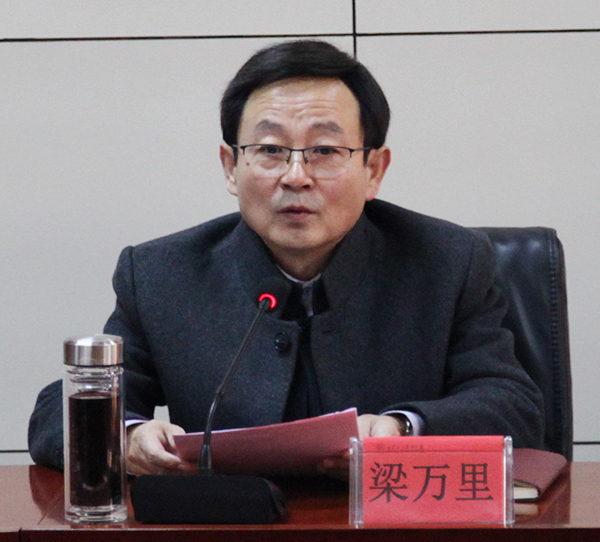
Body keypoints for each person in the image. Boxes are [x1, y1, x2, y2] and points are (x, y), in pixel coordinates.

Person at [29, 40, 544, 477]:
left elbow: (512, 404)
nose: (296, 177)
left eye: (325, 151)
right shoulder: (161, 275)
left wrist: (403, 428)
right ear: (230, 167)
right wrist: (127, 435)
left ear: (374, 170)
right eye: (271, 150)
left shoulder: (448, 263)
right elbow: (59, 408)